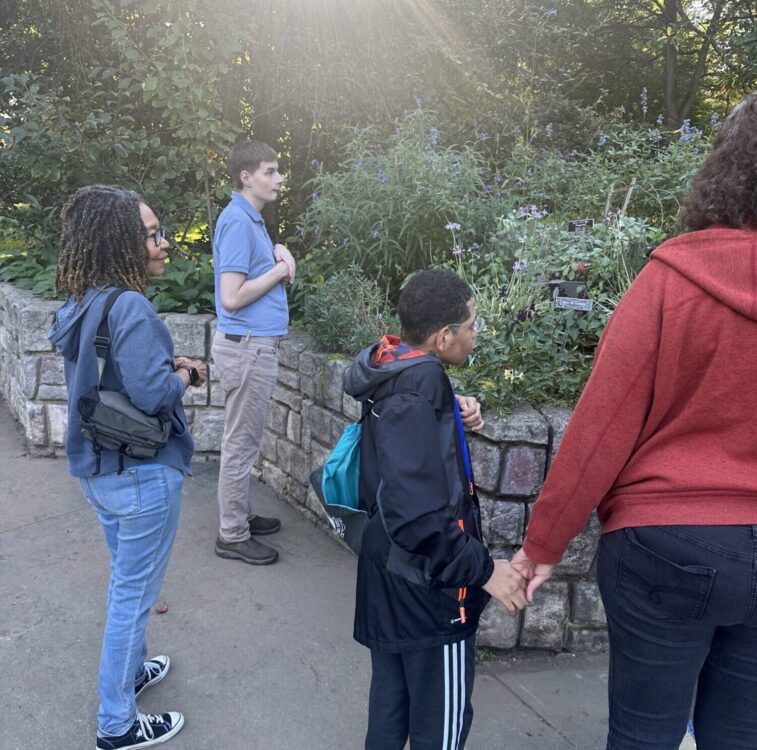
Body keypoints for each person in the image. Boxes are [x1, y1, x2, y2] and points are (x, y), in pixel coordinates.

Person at [511, 92, 757, 750]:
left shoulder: (671, 279)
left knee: (643, 738)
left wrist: (540, 547)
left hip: (663, 544)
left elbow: (599, 428)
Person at [49, 185, 207, 749]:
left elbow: (111, 374)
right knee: (131, 598)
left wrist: (166, 365)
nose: (163, 243)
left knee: (127, 584)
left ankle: (132, 673)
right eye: (153, 233)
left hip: (100, 470)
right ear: (121, 240)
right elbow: (150, 394)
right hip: (141, 474)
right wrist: (184, 376)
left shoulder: (83, 301)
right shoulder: (131, 305)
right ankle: (115, 724)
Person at [344, 269, 528, 750]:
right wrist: (483, 570)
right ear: (443, 335)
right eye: (471, 325)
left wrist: (451, 403)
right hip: (429, 595)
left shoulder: (397, 365)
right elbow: (417, 515)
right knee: (440, 731)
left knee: (389, 710)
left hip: (388, 575)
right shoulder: (420, 383)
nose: (475, 334)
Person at [211, 140, 295, 565]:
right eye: (270, 171)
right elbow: (232, 296)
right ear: (246, 177)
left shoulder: (249, 219)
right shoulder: (239, 222)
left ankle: (239, 515)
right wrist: (282, 270)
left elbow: (249, 271)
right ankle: (232, 535)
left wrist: (277, 253)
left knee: (242, 440)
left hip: (250, 348)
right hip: (247, 350)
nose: (278, 178)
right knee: (240, 445)